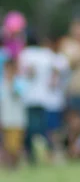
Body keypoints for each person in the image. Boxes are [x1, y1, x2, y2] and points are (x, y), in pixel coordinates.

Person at [19, 33, 55, 163]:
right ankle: (46, 151)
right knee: (42, 127)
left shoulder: (25, 54)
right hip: (44, 97)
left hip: (29, 97)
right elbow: (57, 67)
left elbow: (29, 72)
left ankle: (32, 155)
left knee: (31, 128)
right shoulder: (46, 54)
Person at [0, 58, 27, 168]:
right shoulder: (2, 83)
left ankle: (15, 165)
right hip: (5, 117)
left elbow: (18, 94)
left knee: (15, 145)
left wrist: (12, 82)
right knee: (6, 144)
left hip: (17, 118)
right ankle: (8, 165)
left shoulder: (19, 82)